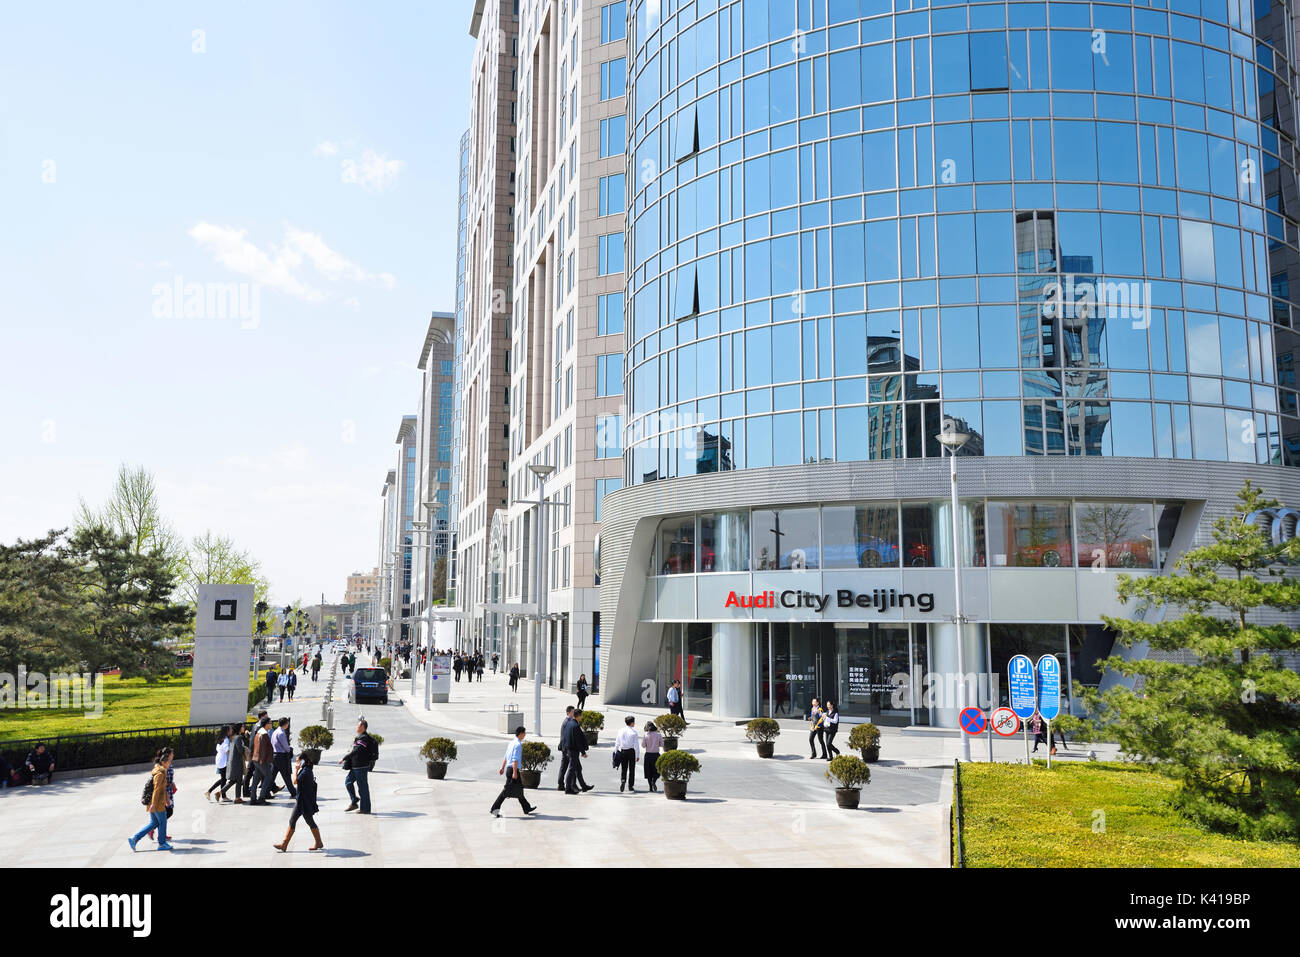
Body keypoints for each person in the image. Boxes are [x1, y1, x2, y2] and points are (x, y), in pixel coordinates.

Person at [273, 753, 324, 852]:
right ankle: (284, 844)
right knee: (293, 821)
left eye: (298, 760)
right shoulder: (306, 770)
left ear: (303, 760)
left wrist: (296, 770)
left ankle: (318, 842)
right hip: (301, 801)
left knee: (309, 822)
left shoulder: (306, 772)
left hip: (304, 802)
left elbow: (295, 781)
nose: (297, 762)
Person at [129, 748, 174, 851]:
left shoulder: (160, 771)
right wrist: (154, 804)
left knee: (153, 823)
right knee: (162, 822)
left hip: (156, 802)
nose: (169, 764)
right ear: (163, 762)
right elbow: (157, 790)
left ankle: (134, 839)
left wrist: (167, 798)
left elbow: (162, 788)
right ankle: (162, 844)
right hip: (157, 803)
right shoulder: (160, 773)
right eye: (168, 762)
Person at [490, 726, 536, 817]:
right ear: (521, 734)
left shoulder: (511, 743)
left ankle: (526, 807)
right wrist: (515, 772)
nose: (525, 735)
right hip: (513, 771)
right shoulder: (518, 745)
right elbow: (515, 759)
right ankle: (494, 810)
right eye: (524, 733)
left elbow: (506, 756)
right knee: (505, 792)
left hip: (509, 769)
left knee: (519, 789)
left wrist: (502, 768)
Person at [340, 719, 376, 814]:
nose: (357, 727)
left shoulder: (364, 738)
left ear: (363, 727)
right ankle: (354, 800)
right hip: (355, 767)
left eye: (358, 726)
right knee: (348, 782)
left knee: (363, 788)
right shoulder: (360, 737)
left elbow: (356, 751)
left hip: (361, 767)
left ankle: (366, 809)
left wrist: (344, 758)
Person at [249, 716, 275, 804]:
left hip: (256, 759)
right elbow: (262, 748)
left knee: (256, 779)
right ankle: (261, 798)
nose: (271, 724)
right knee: (268, 776)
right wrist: (263, 760)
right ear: (266, 724)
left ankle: (253, 799)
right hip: (261, 760)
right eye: (270, 723)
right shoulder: (264, 734)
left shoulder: (259, 732)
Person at [220, 724, 249, 803]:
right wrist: (246, 749)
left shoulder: (233, 737)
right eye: (243, 726)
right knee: (238, 779)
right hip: (237, 761)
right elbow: (240, 750)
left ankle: (220, 792)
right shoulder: (238, 737)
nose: (244, 728)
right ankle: (237, 798)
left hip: (233, 761)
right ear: (240, 728)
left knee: (234, 780)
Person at [270, 717, 297, 798]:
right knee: (286, 775)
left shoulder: (275, 731)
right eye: (287, 723)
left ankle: (265, 792)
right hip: (281, 756)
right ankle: (293, 792)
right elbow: (285, 746)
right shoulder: (281, 733)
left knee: (272, 776)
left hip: (274, 755)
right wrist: (289, 749)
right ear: (285, 724)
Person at [614, 715, 640, 792]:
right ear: (631, 723)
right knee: (632, 769)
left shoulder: (620, 730)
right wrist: (637, 755)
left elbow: (617, 742)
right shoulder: (634, 732)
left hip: (623, 751)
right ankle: (630, 786)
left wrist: (615, 752)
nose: (634, 723)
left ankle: (623, 780)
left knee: (624, 768)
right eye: (634, 722)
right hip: (631, 751)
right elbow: (636, 745)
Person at [205, 725, 232, 802]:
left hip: (219, 759)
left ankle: (209, 792)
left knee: (223, 778)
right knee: (224, 779)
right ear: (227, 731)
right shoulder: (226, 739)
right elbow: (227, 751)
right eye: (230, 730)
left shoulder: (221, 738)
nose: (231, 731)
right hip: (223, 760)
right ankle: (223, 796)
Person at [642, 721, 663, 793]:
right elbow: (662, 745)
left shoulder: (645, 735)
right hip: (656, 754)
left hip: (648, 755)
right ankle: (654, 781)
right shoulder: (658, 734)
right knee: (657, 770)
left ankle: (650, 787)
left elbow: (643, 745)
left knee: (648, 772)